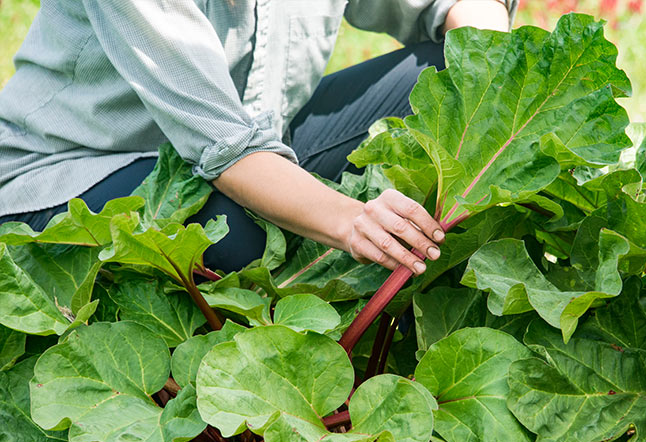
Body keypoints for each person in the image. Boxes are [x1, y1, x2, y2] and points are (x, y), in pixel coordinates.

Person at [0, 0, 515, 274]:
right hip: (70, 174)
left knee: (448, 72)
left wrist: (491, 73)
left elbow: (452, 7)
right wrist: (351, 220)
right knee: (235, 236)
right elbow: (224, 148)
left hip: (259, 150)